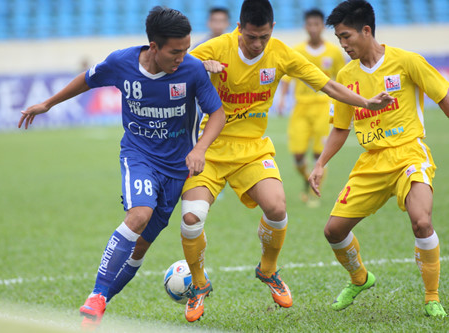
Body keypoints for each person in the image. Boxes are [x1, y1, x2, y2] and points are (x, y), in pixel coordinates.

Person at [180, 0, 394, 322]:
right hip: (210, 147)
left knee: (278, 208)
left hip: (253, 148)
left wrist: (366, 102)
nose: (256, 45)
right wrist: (196, 68)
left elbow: (327, 84)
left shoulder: (279, 53)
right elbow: (173, 68)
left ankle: (268, 269)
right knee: (192, 217)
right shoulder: (213, 49)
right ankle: (198, 285)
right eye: (250, 37)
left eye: (263, 37)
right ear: (239, 28)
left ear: (272, 30)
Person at [18, 6, 225, 330]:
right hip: (139, 155)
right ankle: (97, 294)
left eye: (186, 49)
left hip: (177, 168)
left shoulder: (193, 70)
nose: (182, 57)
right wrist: (49, 103)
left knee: (141, 246)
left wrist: (200, 148)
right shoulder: (121, 63)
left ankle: (97, 307)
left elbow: (218, 113)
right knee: (139, 214)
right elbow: (88, 79)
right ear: (153, 47)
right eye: (175, 51)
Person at [308, 0, 449, 317]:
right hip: (371, 162)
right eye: (339, 39)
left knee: (422, 221)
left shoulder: (407, 61)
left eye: (346, 36)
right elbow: (340, 128)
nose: (343, 45)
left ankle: (431, 297)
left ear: (366, 30)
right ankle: (359, 278)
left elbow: (444, 97)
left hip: (409, 154)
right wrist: (320, 164)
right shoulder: (345, 76)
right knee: (333, 231)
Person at [277, 8, 345, 207]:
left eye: (317, 24)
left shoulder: (333, 52)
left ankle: (315, 192)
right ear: (305, 26)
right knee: (298, 155)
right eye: (310, 24)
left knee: (319, 155)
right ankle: (307, 178)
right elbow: (288, 77)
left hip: (323, 108)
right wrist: (282, 99)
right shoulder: (297, 51)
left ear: (322, 26)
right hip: (301, 109)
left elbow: (341, 78)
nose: (313, 28)